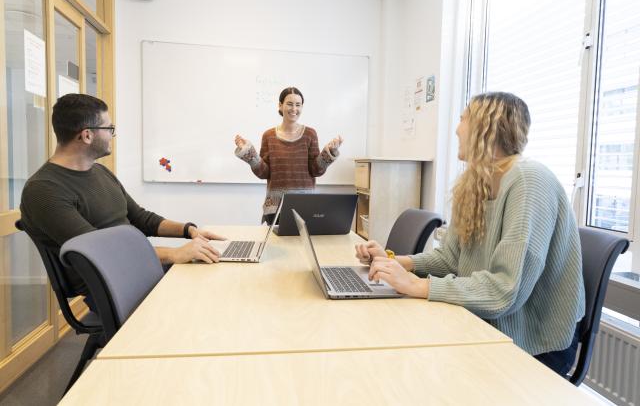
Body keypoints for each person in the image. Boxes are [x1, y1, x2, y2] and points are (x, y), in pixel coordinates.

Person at [355, 92, 585, 376]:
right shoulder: (474, 183)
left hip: (534, 341)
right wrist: (397, 263)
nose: (456, 128)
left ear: (487, 127)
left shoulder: (529, 181)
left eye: (463, 118)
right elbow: (452, 260)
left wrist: (417, 286)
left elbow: (504, 290)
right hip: (487, 322)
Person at [20, 93, 225, 297]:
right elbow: (102, 251)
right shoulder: (43, 190)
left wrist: (189, 231)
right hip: (112, 285)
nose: (112, 135)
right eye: (109, 129)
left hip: (136, 269)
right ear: (87, 135)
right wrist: (174, 253)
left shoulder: (100, 172)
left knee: (214, 279)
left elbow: (141, 219)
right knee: (205, 294)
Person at [234, 86, 343, 224]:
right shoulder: (269, 136)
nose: (294, 109)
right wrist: (249, 153)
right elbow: (264, 173)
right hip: (275, 207)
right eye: (289, 104)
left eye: (298, 105)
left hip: (306, 206)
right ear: (280, 105)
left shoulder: (310, 134)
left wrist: (330, 152)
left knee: (304, 245)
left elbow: (316, 170)